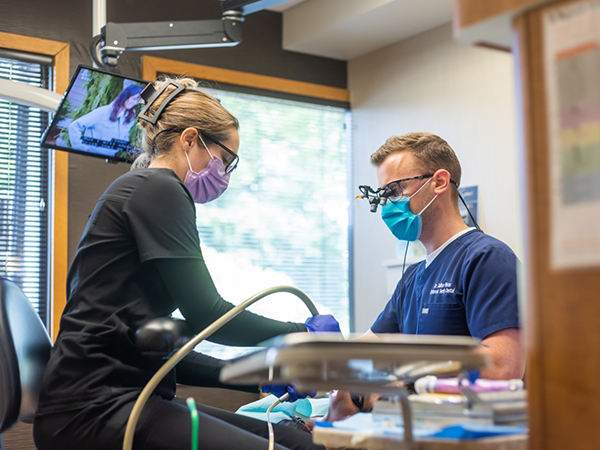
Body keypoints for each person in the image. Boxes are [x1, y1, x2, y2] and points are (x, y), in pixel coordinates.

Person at [33, 77, 338, 450]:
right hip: (97, 408)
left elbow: (164, 349)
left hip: (118, 398)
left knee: (298, 442)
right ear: (190, 139)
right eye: (225, 159)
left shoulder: (142, 189)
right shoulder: (158, 188)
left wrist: (261, 377)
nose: (224, 173)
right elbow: (208, 315)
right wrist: (302, 334)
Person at [362, 132, 523, 380]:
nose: (388, 204)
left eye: (396, 190)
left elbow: (502, 368)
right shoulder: (412, 277)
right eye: (383, 195)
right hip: (417, 417)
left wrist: (408, 382)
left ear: (439, 182)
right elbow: (367, 350)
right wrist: (315, 362)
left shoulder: (487, 259)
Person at [68, 83, 143, 155]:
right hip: (91, 158)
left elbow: (125, 136)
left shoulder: (130, 117)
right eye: (134, 99)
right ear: (126, 95)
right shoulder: (103, 112)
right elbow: (74, 126)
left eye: (138, 101)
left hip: (110, 159)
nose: (135, 103)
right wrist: (82, 149)